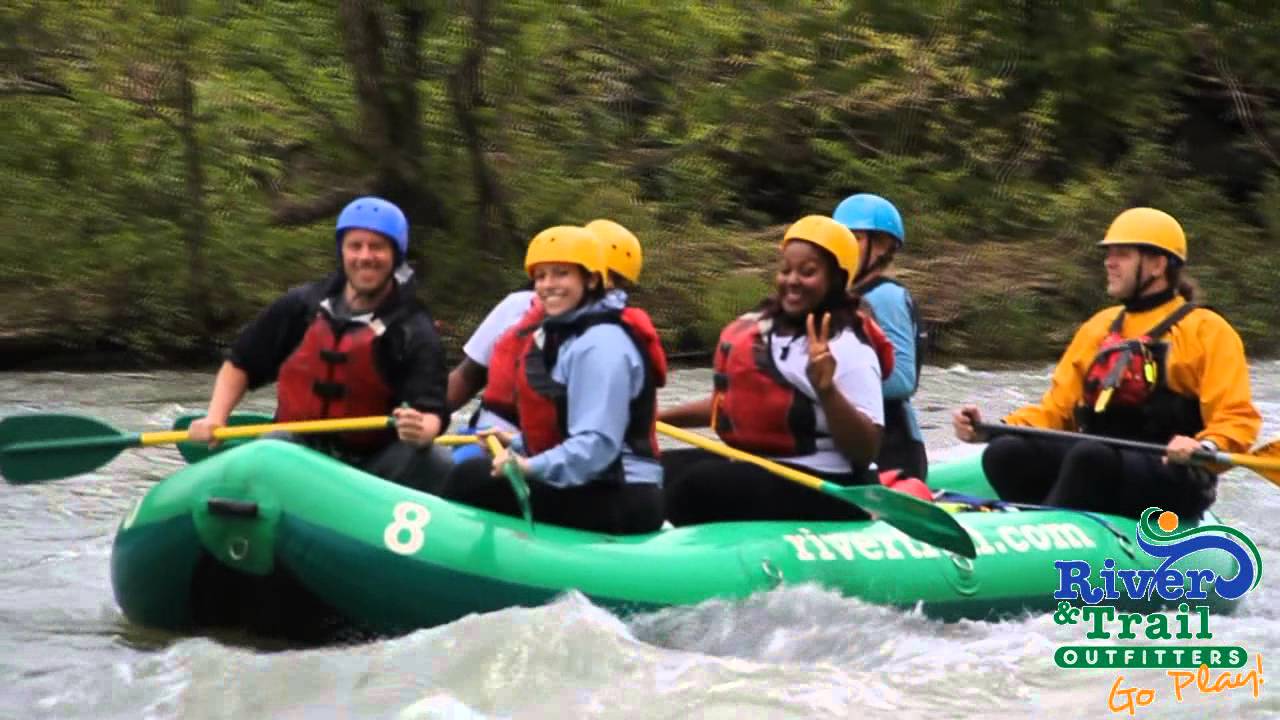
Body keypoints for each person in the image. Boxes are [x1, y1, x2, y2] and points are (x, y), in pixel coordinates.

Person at [952, 207, 1261, 520]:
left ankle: (1052, 527)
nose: (1109, 263)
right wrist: (991, 430)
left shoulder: (1207, 330)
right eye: (1109, 254)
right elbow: (1056, 412)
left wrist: (1206, 446)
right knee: (1006, 453)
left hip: (1174, 474)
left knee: (1090, 456)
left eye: (1122, 254)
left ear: (1157, 264)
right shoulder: (1098, 328)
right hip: (1102, 462)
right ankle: (1036, 531)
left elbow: (1236, 418)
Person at [188, 196, 450, 490]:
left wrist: (421, 430)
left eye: (377, 247)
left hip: (371, 466)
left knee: (434, 461)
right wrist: (215, 417)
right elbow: (241, 364)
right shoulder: (303, 306)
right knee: (272, 447)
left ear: (395, 255)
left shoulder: (413, 327)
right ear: (342, 251)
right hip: (296, 447)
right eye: (355, 246)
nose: (365, 257)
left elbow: (432, 413)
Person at [659, 215, 890, 525]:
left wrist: (827, 391)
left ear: (836, 278)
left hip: (832, 486)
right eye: (785, 270)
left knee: (700, 486)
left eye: (808, 272)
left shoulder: (850, 345)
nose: (792, 280)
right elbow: (730, 403)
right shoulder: (768, 332)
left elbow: (865, 449)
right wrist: (656, 418)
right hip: (767, 467)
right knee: (653, 469)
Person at [437, 225, 667, 534]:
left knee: (473, 479)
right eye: (541, 276)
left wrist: (530, 466)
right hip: (595, 481)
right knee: (475, 474)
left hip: (624, 493)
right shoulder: (565, 334)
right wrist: (518, 442)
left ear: (591, 279)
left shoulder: (602, 344)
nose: (548, 285)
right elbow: (565, 427)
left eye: (561, 274)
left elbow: (597, 446)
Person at [444, 219, 647, 434]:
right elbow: (467, 377)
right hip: (497, 437)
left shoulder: (621, 332)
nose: (607, 286)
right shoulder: (519, 306)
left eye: (616, 280)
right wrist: (429, 416)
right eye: (605, 275)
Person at [834, 193, 929, 480]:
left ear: (883, 248)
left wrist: (827, 386)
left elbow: (902, 380)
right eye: (842, 238)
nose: (845, 247)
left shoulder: (885, 296)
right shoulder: (837, 297)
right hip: (856, 441)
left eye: (856, 238)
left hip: (894, 448)